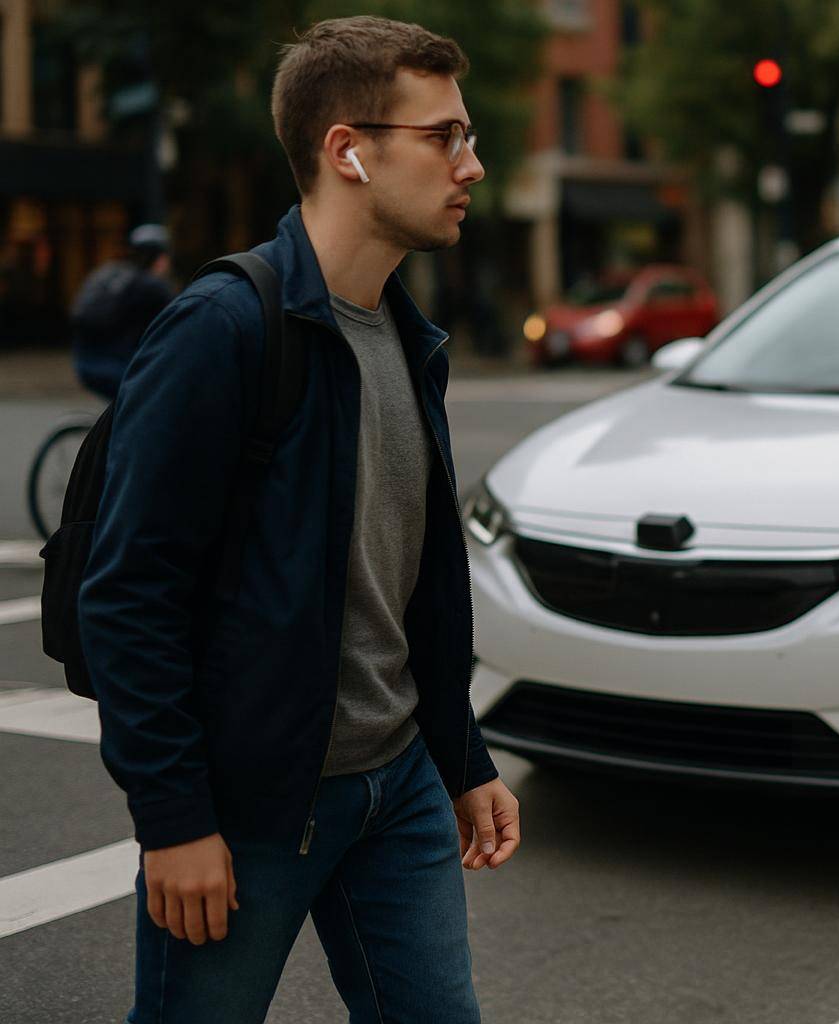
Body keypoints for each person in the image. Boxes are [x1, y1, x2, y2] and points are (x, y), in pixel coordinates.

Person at [76, 16, 520, 1023]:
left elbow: (406, 583)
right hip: (257, 806)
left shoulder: (410, 337)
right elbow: (130, 596)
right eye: (445, 136)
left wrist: (460, 756)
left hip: (399, 784)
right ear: (348, 150)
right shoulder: (223, 329)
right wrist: (175, 819)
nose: (473, 165)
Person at [68, 223, 175, 400]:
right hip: (118, 367)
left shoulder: (111, 273)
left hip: (85, 363)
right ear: (161, 258)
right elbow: (177, 326)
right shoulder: (153, 287)